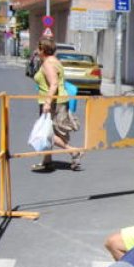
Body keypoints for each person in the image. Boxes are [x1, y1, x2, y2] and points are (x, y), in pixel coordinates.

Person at [31, 38, 82, 172]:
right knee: (50, 130)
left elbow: (53, 84)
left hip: (52, 102)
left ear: (43, 49)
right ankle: (47, 161)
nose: (36, 51)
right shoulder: (54, 61)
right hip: (58, 101)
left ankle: (74, 151)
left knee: (46, 133)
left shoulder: (48, 63)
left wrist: (48, 102)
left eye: (38, 48)